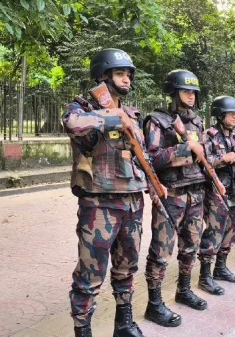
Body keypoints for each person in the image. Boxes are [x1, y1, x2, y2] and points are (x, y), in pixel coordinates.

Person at [63, 48, 147, 337]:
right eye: (119, 73)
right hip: (99, 205)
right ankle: (83, 331)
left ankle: (123, 324)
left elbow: (142, 156)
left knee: (127, 269)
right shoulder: (82, 108)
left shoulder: (134, 115)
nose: (126, 79)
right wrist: (111, 118)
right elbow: (72, 125)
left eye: (127, 75)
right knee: (90, 275)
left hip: (133, 201)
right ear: (103, 76)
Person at [143, 69, 210, 315]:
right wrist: (185, 150)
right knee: (161, 250)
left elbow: (202, 153)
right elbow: (151, 158)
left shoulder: (196, 121)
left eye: (193, 92)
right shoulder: (157, 120)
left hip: (195, 191)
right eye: (185, 91)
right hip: (170, 194)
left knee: (191, 245)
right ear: (173, 92)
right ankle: (154, 303)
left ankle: (183, 289)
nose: (191, 96)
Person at [199, 96, 235, 289]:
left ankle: (221, 267)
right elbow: (202, 161)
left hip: (234, 193)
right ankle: (205, 275)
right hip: (217, 192)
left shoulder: (233, 138)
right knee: (214, 234)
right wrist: (222, 158)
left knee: (232, 231)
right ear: (220, 114)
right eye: (231, 114)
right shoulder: (209, 135)